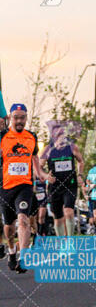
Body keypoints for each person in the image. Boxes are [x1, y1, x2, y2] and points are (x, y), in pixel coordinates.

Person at [0, 104, 45, 271]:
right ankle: (11, 250)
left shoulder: (32, 137)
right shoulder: (3, 136)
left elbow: (34, 159)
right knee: (9, 227)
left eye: (22, 117)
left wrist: (41, 173)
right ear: (10, 118)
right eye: (16, 117)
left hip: (25, 186)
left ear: (26, 118)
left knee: (23, 220)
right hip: (5, 186)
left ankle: (24, 257)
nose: (19, 121)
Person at [40, 125, 85, 236]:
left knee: (69, 212)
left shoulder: (72, 147)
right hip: (54, 186)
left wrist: (80, 175)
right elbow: (39, 166)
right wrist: (46, 176)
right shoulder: (48, 149)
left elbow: (81, 161)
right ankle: (61, 244)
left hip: (70, 184)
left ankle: (70, 241)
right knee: (58, 217)